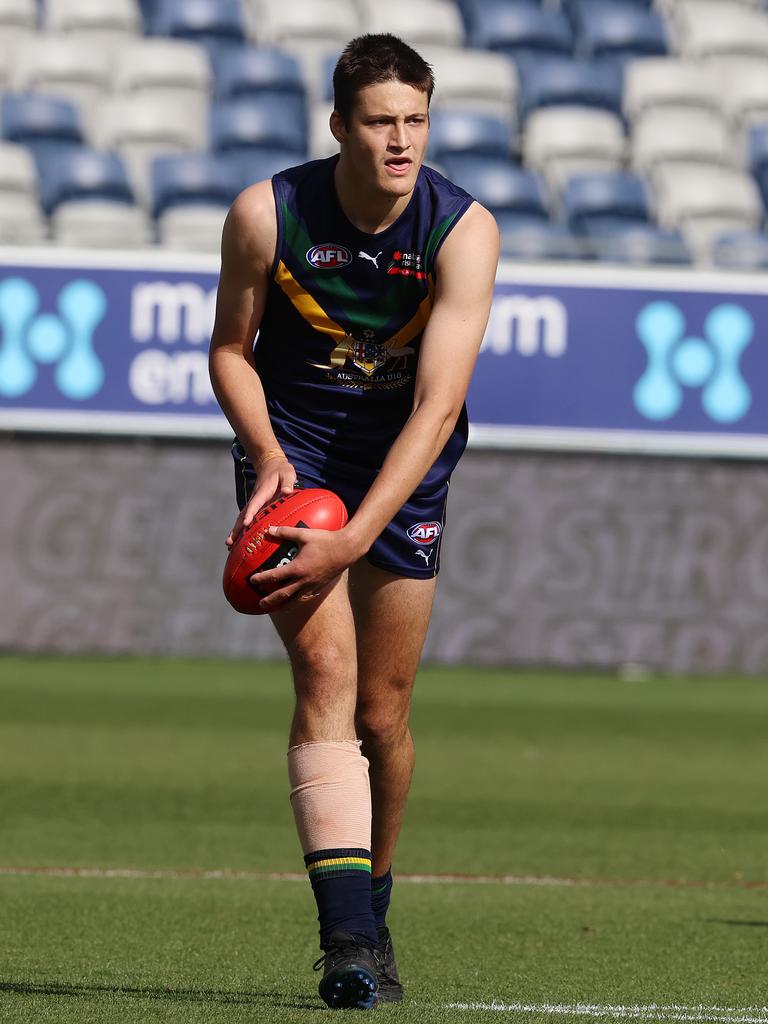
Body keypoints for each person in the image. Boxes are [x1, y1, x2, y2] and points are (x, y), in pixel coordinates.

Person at [209, 32, 499, 1011]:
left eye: (416, 120)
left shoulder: (462, 232)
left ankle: (374, 902)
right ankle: (347, 946)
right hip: (294, 460)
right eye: (381, 121)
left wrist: (356, 533)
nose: (401, 140)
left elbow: (438, 409)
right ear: (340, 125)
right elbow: (230, 349)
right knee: (326, 677)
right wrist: (268, 451)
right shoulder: (266, 213)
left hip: (400, 474)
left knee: (384, 715)